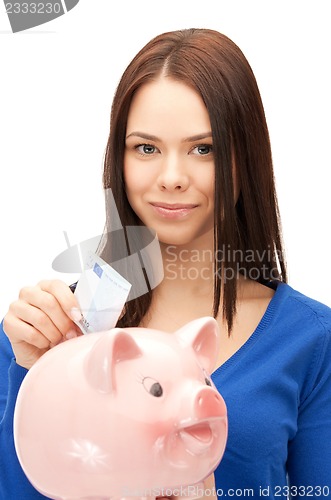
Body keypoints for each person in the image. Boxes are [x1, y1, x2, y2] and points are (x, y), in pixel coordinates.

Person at [0, 28, 330, 499]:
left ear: (246, 158)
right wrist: (34, 374)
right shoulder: (40, 332)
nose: (172, 177)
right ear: (120, 158)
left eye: (204, 149)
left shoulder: (313, 341)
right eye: (147, 148)